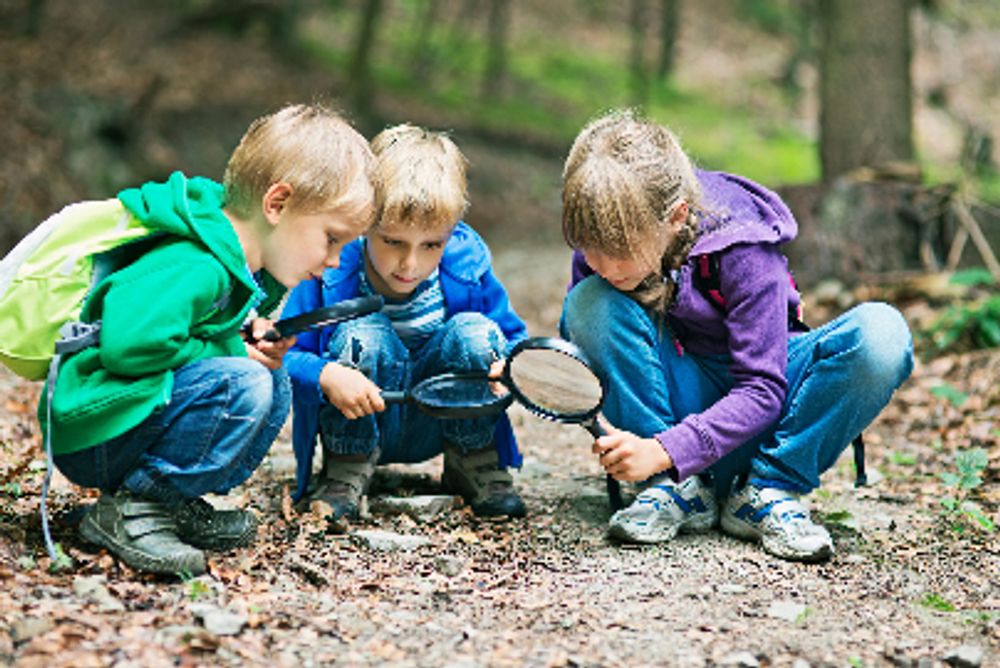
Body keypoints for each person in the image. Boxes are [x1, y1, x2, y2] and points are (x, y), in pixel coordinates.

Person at [559, 110, 913, 562]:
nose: (602, 265)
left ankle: (768, 491)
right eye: (589, 248)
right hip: (672, 417)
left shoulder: (743, 247)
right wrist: (532, 371)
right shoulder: (603, 251)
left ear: (676, 216)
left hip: (766, 419)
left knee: (883, 334)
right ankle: (673, 491)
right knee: (589, 302)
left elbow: (763, 389)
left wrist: (665, 449)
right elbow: (593, 352)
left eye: (619, 252)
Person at [43, 103, 378, 575]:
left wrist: (243, 336)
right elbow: (129, 346)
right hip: (93, 428)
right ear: (277, 204)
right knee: (244, 382)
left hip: (124, 417)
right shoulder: (195, 263)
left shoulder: (230, 264)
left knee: (270, 379)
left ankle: (164, 502)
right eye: (332, 238)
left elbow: (192, 335)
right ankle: (132, 509)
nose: (336, 261)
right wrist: (230, 350)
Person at [283, 123, 529, 523]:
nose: (409, 264)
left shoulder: (466, 267)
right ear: (365, 224)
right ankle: (347, 467)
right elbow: (285, 355)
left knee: (476, 332)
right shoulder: (331, 270)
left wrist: (510, 366)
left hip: (441, 417)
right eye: (393, 241)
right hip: (361, 415)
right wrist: (326, 373)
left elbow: (515, 339)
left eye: (431, 244)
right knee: (363, 332)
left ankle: (473, 459)